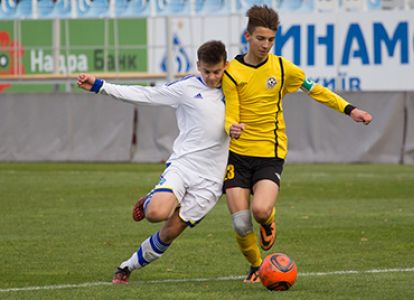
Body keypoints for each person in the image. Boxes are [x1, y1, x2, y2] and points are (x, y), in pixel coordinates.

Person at [222, 5, 373, 283]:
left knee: (260, 211)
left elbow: (315, 90)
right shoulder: (231, 72)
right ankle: (257, 266)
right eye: (260, 39)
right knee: (241, 223)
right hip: (237, 155)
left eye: (270, 40)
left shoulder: (281, 67)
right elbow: (230, 111)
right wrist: (231, 126)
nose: (266, 45)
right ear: (248, 36)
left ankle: (268, 221)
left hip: (270, 153)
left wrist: (350, 109)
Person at [77, 40, 229, 284]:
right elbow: (145, 95)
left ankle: (126, 267)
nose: (212, 77)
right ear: (198, 66)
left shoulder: (236, 88)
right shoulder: (186, 88)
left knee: (169, 232)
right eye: (207, 71)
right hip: (184, 165)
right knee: (156, 213)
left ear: (226, 65)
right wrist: (100, 86)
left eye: (217, 72)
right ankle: (150, 199)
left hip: (211, 179)